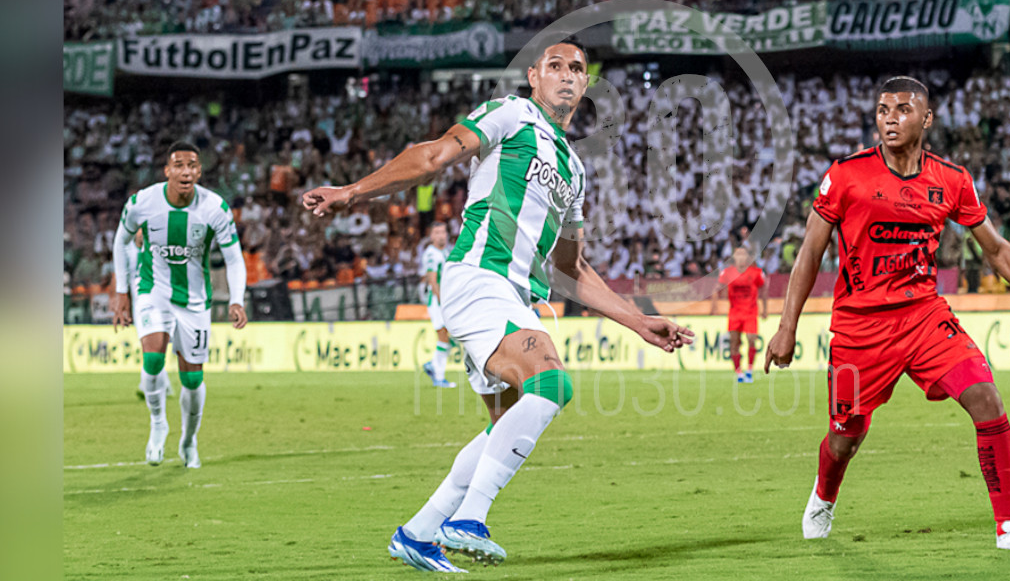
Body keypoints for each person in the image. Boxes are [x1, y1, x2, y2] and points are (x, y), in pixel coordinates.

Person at [303, 38, 693, 572]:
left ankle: (417, 534)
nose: (567, 74)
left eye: (577, 69)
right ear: (533, 76)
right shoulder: (510, 114)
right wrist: (354, 190)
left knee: (502, 426)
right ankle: (469, 518)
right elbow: (434, 155)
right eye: (555, 65)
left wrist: (637, 320)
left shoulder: (575, 171)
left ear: (585, 84)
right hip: (479, 278)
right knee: (551, 381)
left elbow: (569, 269)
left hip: (514, 296)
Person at [763, 77, 1010, 552]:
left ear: (926, 118)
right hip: (860, 329)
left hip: (923, 317)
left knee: (986, 398)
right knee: (845, 436)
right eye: (882, 110)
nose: (889, 118)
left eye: (901, 109)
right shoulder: (846, 175)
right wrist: (786, 327)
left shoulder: (951, 179)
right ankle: (824, 495)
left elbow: (996, 250)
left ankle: (1007, 527)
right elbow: (810, 252)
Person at [110, 142, 249, 469]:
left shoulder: (215, 207)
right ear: (167, 170)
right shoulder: (143, 202)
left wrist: (237, 300)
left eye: (192, 166)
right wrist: (121, 291)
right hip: (152, 290)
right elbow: (121, 239)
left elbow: (234, 258)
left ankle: (189, 440)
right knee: (154, 358)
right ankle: (158, 424)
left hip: (194, 301)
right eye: (179, 165)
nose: (186, 171)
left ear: (199, 172)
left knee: (191, 379)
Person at [126, 228, 175, 401]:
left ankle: (152, 385)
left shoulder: (157, 251)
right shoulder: (129, 251)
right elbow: (122, 278)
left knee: (155, 345)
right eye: (139, 232)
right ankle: (160, 385)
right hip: (139, 305)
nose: (141, 235)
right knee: (152, 346)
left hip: (157, 303)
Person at [717, 245, 768, 383]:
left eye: (743, 254)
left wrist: (765, 309)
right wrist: (716, 304)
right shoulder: (727, 272)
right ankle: (739, 372)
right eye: (738, 254)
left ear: (747, 257)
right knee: (735, 343)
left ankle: (750, 370)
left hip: (751, 312)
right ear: (734, 257)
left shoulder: (756, 272)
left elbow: (764, 287)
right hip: (734, 313)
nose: (740, 257)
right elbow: (718, 287)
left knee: (752, 339)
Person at [419, 221, 458, 388]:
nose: (441, 235)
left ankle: (432, 366)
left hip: (449, 300)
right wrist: (443, 302)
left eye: (443, 232)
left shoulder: (449, 251)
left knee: (447, 337)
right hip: (438, 302)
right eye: (437, 232)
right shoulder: (431, 254)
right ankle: (439, 376)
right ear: (431, 236)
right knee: (443, 337)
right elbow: (432, 281)